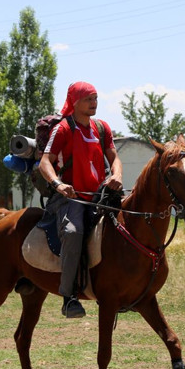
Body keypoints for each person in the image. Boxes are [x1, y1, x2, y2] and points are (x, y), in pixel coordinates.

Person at [37, 82, 123, 318]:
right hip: (71, 198)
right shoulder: (63, 129)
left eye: (96, 98)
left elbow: (114, 158)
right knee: (74, 231)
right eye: (88, 99)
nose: (94, 103)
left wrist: (116, 175)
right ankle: (69, 297)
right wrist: (58, 185)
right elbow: (45, 162)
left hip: (101, 195)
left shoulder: (102, 127)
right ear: (75, 102)